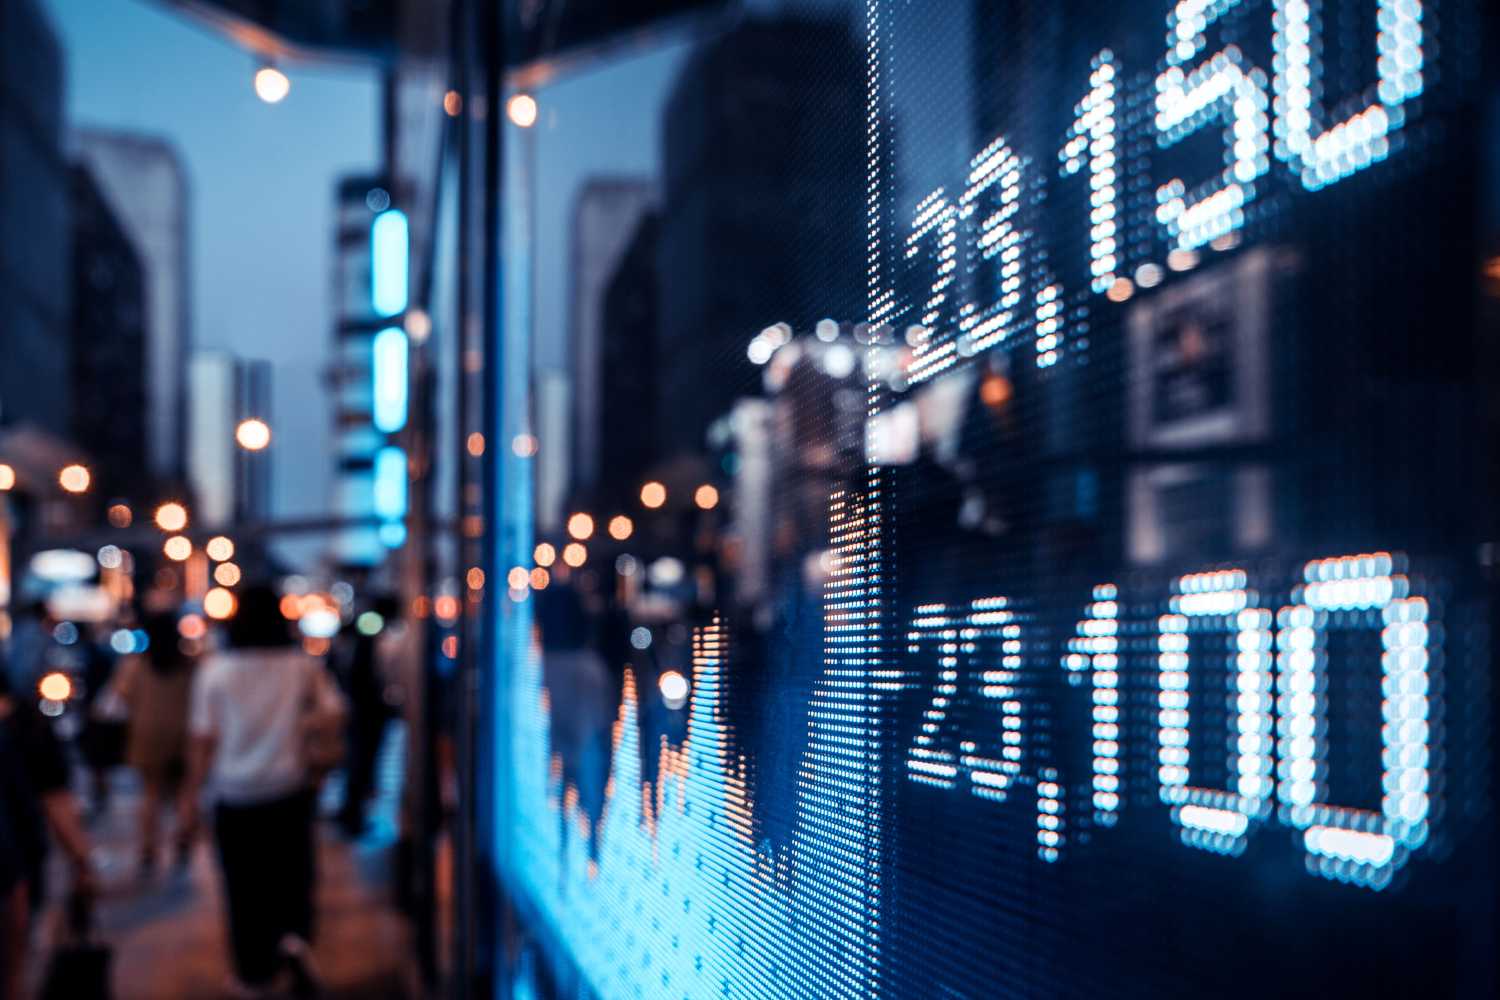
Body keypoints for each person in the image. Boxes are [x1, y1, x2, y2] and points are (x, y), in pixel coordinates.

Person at [182, 585, 345, 998]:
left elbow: (202, 740)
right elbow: (334, 712)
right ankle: (293, 944)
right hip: (289, 789)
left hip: (233, 795)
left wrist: (190, 798)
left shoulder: (215, 670)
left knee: (242, 886)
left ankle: (253, 973)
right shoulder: (299, 666)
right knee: (291, 876)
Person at [0, 663, 95, 1000]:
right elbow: (56, 799)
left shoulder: (22, 729)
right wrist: (81, 860)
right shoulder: (26, 726)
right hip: (18, 881)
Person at [112, 611, 195, 874]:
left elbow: (122, 695)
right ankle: (182, 837)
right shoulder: (189, 665)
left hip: (146, 733)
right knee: (183, 791)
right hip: (182, 733)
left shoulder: (137, 665)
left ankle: (149, 847)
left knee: (150, 793)